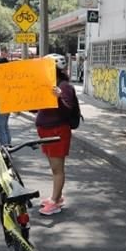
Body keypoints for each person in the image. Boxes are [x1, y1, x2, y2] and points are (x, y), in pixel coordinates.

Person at [35, 63, 79, 216]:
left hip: (57, 131)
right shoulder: (46, 85)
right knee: (54, 167)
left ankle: (55, 201)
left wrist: (59, 97)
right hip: (46, 131)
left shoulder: (64, 87)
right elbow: (36, 108)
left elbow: (68, 110)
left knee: (57, 168)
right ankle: (57, 197)